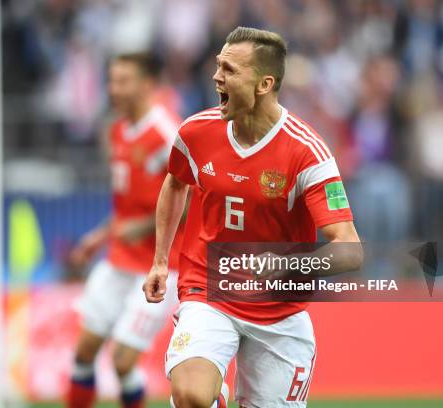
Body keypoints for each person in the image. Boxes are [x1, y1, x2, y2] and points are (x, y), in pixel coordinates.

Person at [143, 27, 363, 408]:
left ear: (264, 83)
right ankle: (211, 393)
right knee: (191, 395)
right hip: (208, 288)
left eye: (229, 69)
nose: (216, 77)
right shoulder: (195, 132)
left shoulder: (306, 153)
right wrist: (161, 260)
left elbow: (349, 249)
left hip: (278, 311)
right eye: (217, 66)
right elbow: (175, 183)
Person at [66, 53, 183, 408]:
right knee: (84, 350)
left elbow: (192, 195)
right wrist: (97, 238)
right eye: (111, 80)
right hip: (119, 260)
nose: (113, 89)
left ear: (147, 85)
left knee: (122, 361)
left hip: (161, 267)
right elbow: (126, 207)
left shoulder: (167, 132)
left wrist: (146, 226)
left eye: (123, 81)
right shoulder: (116, 131)